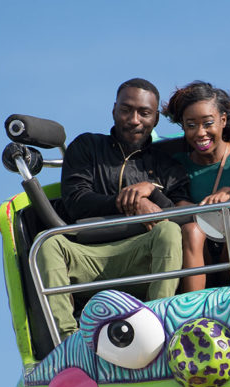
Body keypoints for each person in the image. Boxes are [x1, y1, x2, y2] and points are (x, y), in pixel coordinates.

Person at [37, 78, 190, 340]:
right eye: (126, 110)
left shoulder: (167, 165)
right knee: (49, 244)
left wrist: (150, 190)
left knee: (169, 232)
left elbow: (182, 215)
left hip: (141, 253)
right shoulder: (86, 146)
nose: (134, 120)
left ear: (155, 120)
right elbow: (76, 202)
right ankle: (67, 341)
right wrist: (130, 201)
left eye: (144, 113)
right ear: (113, 110)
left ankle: (156, 328)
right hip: (88, 254)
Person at [163, 81, 230, 292]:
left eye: (208, 123)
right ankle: (192, 311)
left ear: (222, 120)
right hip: (200, 249)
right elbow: (172, 207)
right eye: (191, 125)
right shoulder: (178, 163)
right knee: (192, 230)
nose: (200, 133)